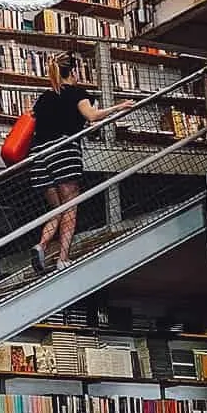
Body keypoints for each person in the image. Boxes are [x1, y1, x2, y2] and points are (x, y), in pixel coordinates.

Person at [30, 52, 134, 273]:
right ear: (75, 72)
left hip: (39, 155)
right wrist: (119, 107)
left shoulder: (44, 97)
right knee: (70, 208)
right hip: (64, 151)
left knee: (57, 208)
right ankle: (63, 259)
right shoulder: (78, 93)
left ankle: (41, 245)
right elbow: (92, 116)